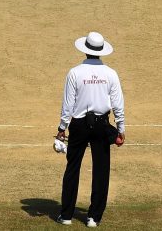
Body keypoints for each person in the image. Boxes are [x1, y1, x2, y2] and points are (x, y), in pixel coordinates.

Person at [55, 31, 125, 228]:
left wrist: (62, 128)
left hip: (78, 125)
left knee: (72, 168)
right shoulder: (111, 73)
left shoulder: (75, 72)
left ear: (85, 50)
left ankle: (67, 215)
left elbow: (68, 104)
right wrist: (121, 128)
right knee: (101, 170)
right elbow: (118, 104)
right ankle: (94, 217)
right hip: (102, 125)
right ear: (101, 51)